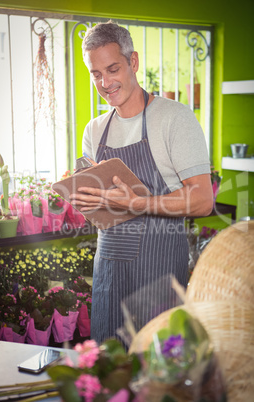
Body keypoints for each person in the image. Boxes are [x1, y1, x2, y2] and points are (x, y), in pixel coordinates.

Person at [69, 21, 213, 345]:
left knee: (156, 368)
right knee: (109, 366)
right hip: (109, 268)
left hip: (159, 273)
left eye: (113, 69)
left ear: (133, 62)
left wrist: (137, 203)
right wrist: (87, 202)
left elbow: (203, 200)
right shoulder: (94, 130)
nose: (105, 83)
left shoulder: (175, 118)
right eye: (96, 74)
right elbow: (102, 210)